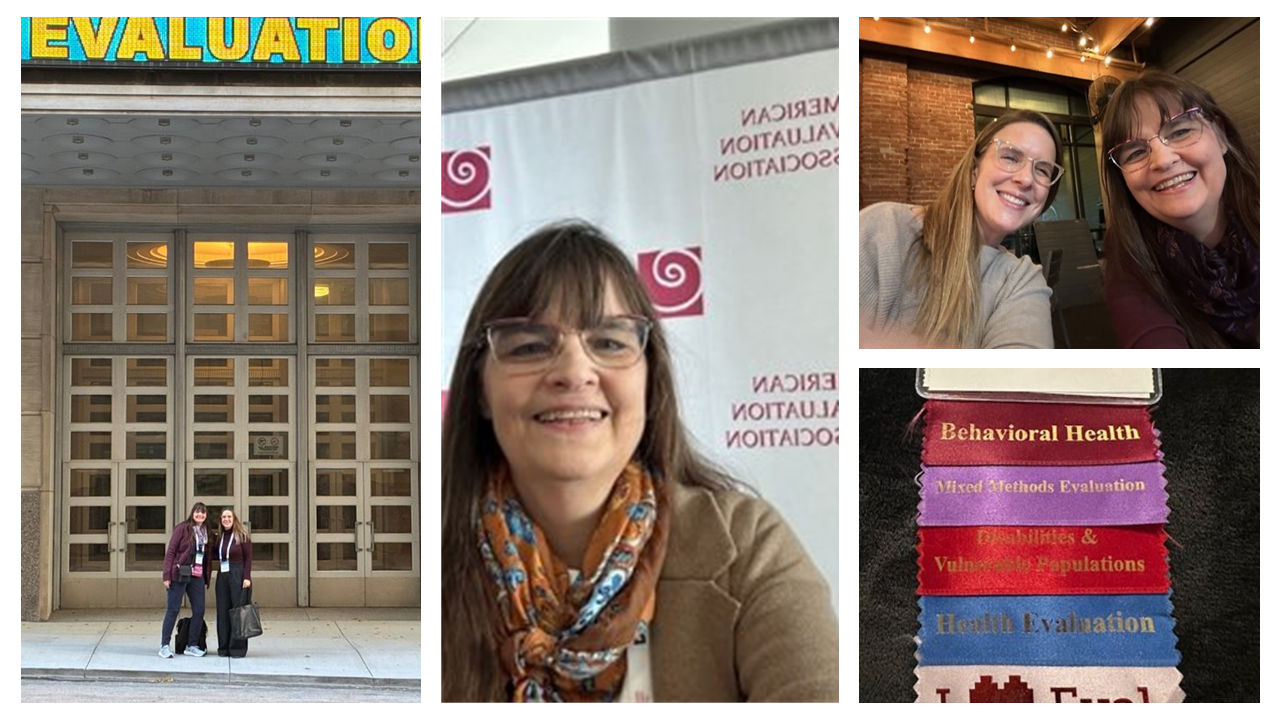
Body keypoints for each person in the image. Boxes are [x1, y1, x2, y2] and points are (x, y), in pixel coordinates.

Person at [441, 221, 838, 702]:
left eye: (608, 342)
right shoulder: (436, 560)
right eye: (529, 345)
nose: (573, 372)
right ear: (480, 389)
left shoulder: (744, 546)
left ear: (651, 380)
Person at [860, 109, 1065, 348]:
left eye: (1042, 170)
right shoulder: (884, 228)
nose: (1026, 179)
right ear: (973, 171)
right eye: (1010, 157)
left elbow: (1016, 380)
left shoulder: (1021, 280)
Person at [1098, 70, 1259, 348]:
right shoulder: (1131, 261)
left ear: (1220, 135)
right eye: (1135, 152)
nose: (1163, 160)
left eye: (1181, 131)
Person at [160, 502, 214, 658]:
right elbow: (170, 551)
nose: (200, 515)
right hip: (179, 573)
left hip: (197, 574)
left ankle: (191, 645)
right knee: (173, 609)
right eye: (197, 512)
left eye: (203, 513)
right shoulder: (182, 528)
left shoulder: (206, 531)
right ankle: (164, 645)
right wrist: (166, 575)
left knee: (199, 609)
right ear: (192, 513)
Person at [213, 507, 254, 658]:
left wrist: (246, 577)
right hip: (223, 575)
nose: (226, 519)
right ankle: (223, 647)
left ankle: (237, 648)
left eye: (229, 517)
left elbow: (249, 559)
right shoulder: (220, 538)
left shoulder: (242, 536)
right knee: (223, 611)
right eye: (224, 517)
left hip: (238, 574)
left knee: (238, 612)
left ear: (234, 519)